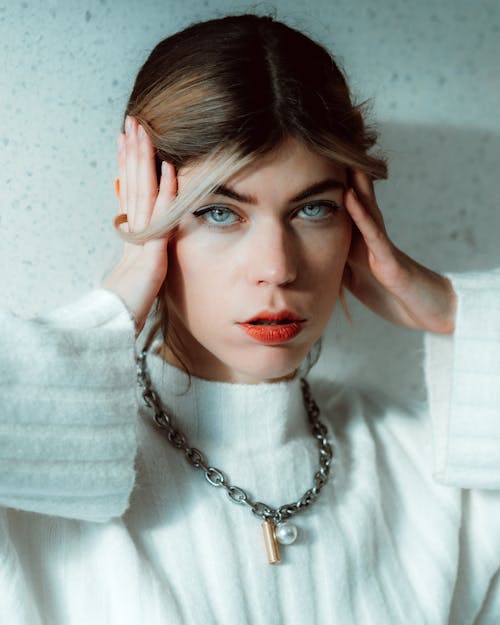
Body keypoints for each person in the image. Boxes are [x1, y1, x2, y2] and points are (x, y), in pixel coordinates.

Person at [1, 13, 499, 625]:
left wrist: (456, 311)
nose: (278, 268)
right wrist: (122, 290)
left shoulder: (434, 471)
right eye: (219, 212)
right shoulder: (38, 488)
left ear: (358, 223)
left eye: (312, 208)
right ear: (145, 213)